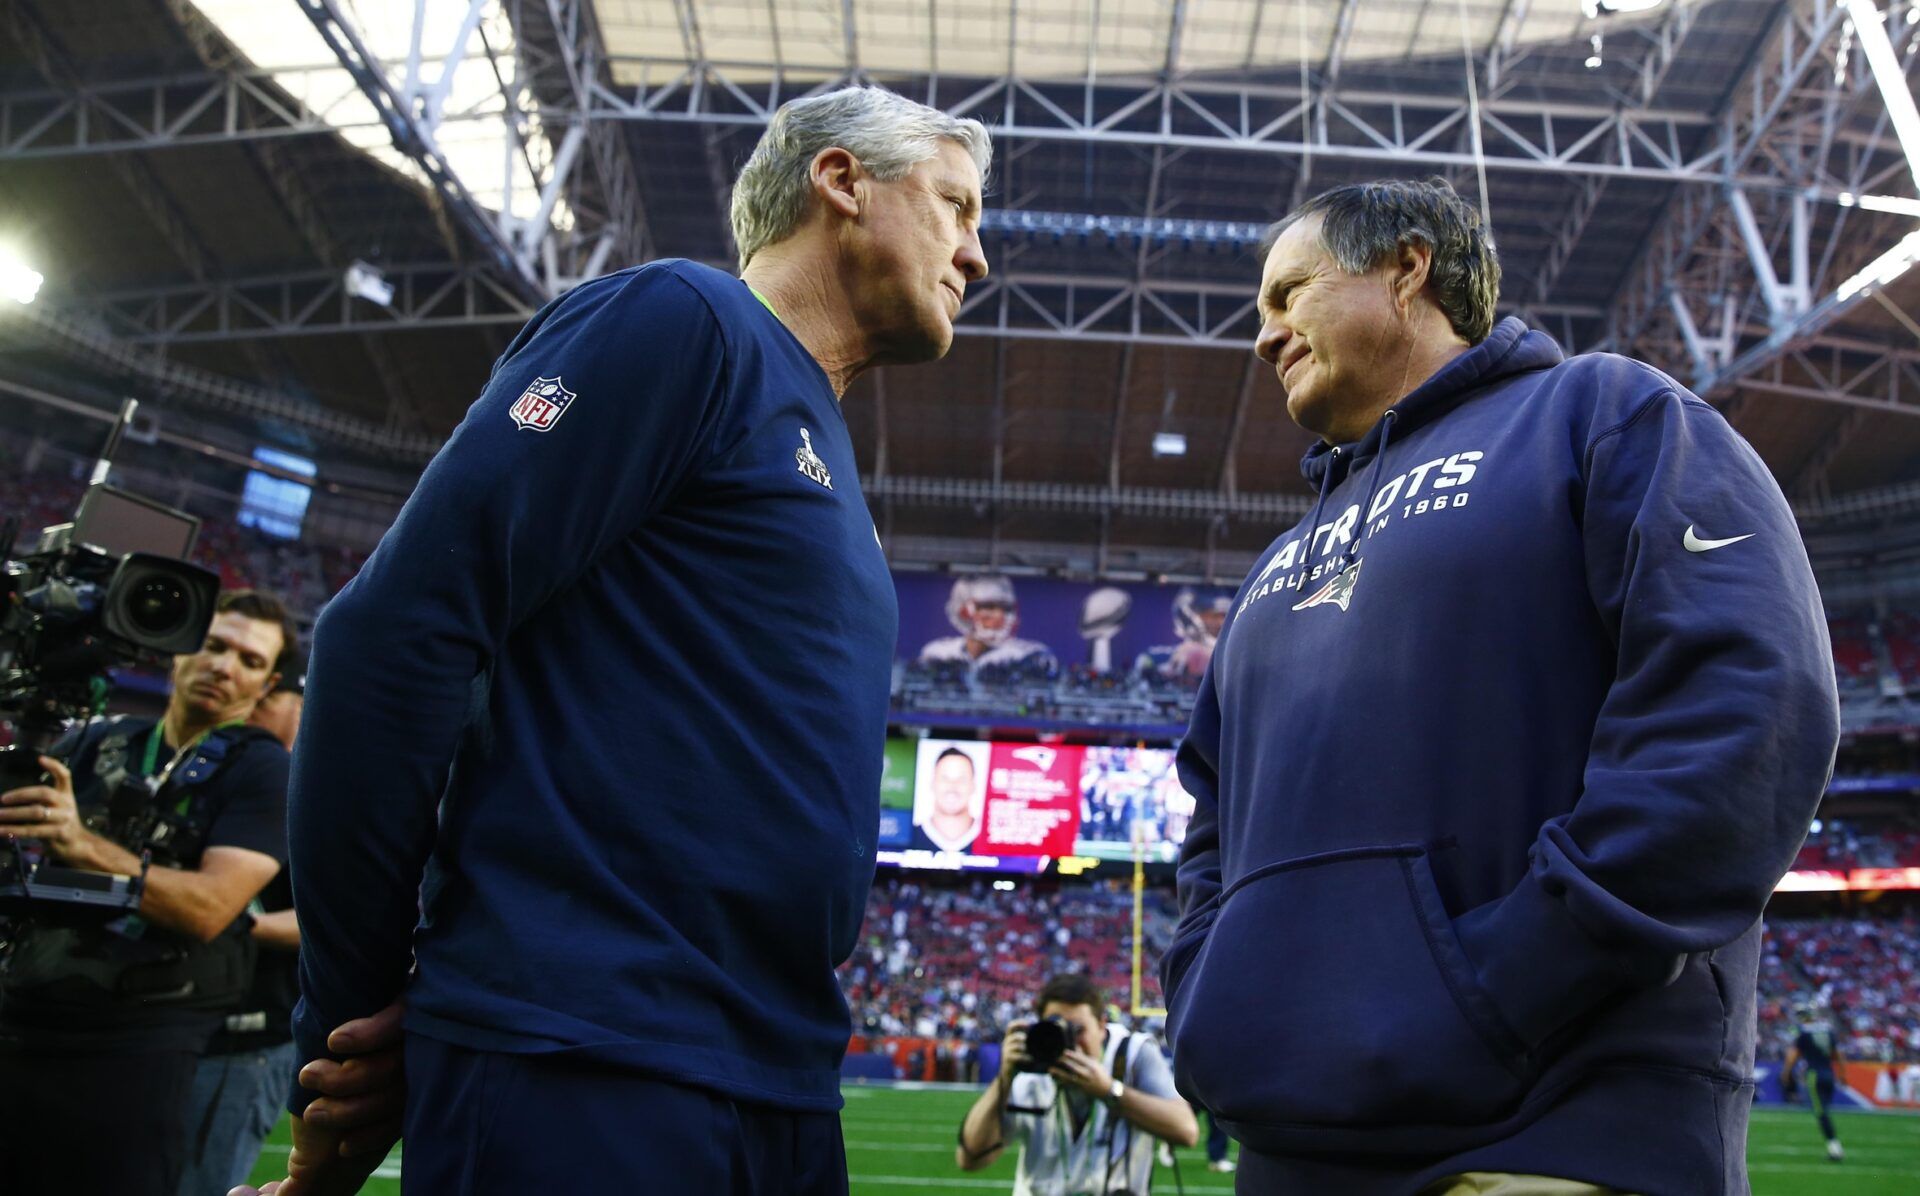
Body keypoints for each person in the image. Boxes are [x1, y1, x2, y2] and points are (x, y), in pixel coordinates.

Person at [240, 85, 991, 1196]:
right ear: (843, 181)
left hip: (771, 1071)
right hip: (592, 1054)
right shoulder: (691, 322)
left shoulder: (814, 436)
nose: (976, 256)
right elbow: (393, 634)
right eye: (957, 207)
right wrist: (349, 1033)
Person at [1163, 178, 1839, 1195]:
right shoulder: (1278, 559)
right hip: (1289, 1149)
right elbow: (1213, 815)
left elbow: (1746, 700)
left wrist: (1509, 978)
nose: (1264, 334)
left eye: (1288, 293)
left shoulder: (1609, 413)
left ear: (1407, 267)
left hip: (1552, 1133)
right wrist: (1210, 995)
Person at [0, 589, 297, 1196]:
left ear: (266, 685)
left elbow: (213, 907)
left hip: (138, 1042)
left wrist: (82, 845)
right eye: (214, 645)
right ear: (179, 651)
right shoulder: (99, 741)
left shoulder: (263, 771)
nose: (224, 666)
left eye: (248, 660)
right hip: (30, 1009)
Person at [177, 658, 307, 1195]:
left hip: (249, 1031)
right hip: (182, 1019)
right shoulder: (224, 774)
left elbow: (323, 920)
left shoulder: (310, 791)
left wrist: (224, 921)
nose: (254, 707)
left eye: (269, 696)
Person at [956, 973, 1197, 1194]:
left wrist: (1109, 1091)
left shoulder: (1132, 1053)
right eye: (1057, 1030)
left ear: (1102, 1026)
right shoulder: (1032, 1064)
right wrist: (1005, 1077)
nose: (1070, 1042)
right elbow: (970, 1159)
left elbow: (1186, 1130)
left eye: (1077, 1030)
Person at [920, 575, 1057, 675]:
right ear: (961, 610)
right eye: (988, 606)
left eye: (1006, 608)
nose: (999, 615)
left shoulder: (1031, 654)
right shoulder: (938, 653)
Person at [1782, 1003, 1846, 1162]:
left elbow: (1792, 1057)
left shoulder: (1802, 1032)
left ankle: (1834, 1148)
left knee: (1821, 1112)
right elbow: (1838, 1055)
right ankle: (1833, 1145)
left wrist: (1786, 1074)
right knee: (1825, 1110)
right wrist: (1843, 1075)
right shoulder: (1827, 1030)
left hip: (1814, 1075)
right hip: (1829, 1073)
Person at [911, 745, 984, 853]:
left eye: (961, 779)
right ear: (932, 783)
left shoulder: (991, 840)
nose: (952, 787)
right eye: (945, 778)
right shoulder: (910, 835)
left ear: (973, 786)